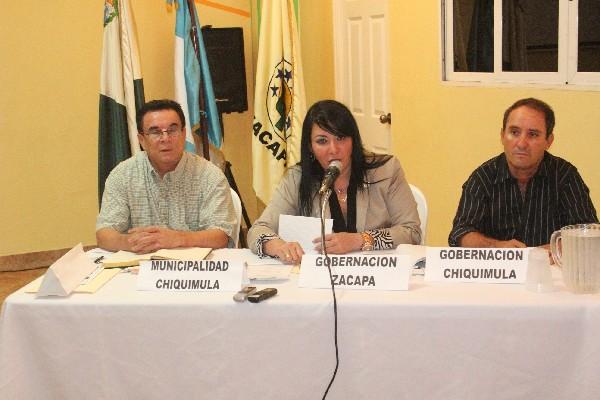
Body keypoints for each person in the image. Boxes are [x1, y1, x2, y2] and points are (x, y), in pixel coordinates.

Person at [248, 99, 421, 263]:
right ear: (310, 146)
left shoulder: (386, 171)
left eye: (341, 138)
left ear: (353, 141)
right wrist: (278, 246)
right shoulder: (297, 178)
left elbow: (411, 232)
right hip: (321, 279)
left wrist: (360, 240)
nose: (334, 149)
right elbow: (258, 230)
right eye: (322, 141)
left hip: (377, 275)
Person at [449, 97, 598, 248]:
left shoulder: (565, 176)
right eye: (514, 132)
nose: (521, 143)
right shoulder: (483, 177)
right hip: (499, 269)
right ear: (502, 136)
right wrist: (498, 247)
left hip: (551, 268)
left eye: (532, 134)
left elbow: (589, 233)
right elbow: (461, 233)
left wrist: (551, 250)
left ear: (549, 141)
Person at [96, 99, 236, 253]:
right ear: (142, 140)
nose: (165, 139)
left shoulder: (209, 175)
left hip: (195, 270)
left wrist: (177, 239)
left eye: (172, 130)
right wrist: (134, 242)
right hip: (141, 268)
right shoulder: (122, 175)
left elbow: (221, 236)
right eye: (155, 132)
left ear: (183, 134)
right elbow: (104, 234)